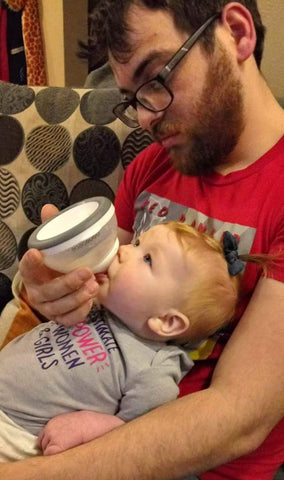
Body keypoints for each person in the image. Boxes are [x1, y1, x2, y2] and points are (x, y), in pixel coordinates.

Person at [1, 0, 283, 479]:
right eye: (133, 98)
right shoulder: (154, 167)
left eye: (156, 78)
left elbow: (240, 416)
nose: (147, 118)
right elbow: (101, 289)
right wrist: (48, 287)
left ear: (236, 33)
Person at [0, 223, 244, 462]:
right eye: (137, 243)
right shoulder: (103, 302)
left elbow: (136, 435)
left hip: (16, 432)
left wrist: (88, 426)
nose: (123, 249)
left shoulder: (154, 372)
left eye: (147, 259)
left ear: (166, 321)